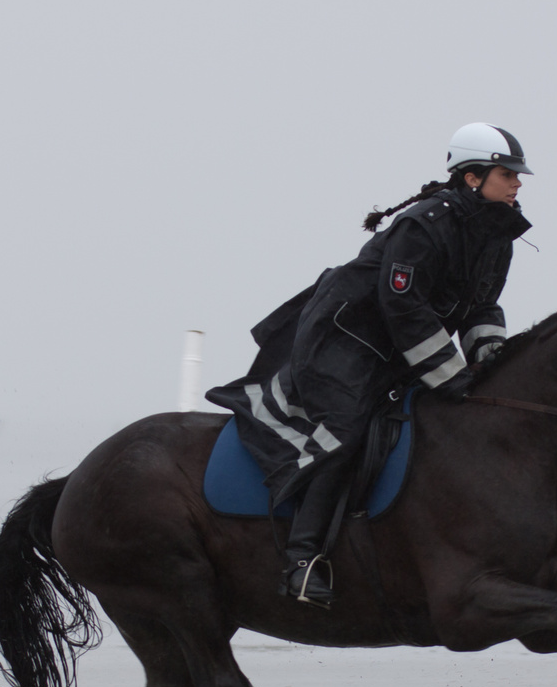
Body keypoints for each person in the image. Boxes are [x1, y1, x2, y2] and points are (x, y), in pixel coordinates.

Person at [207, 123, 532, 607]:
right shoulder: (425, 223)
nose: (518, 183)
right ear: (472, 177)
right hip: (343, 340)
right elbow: (403, 306)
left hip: (398, 346)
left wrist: (492, 362)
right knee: (346, 429)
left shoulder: (497, 236)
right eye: (508, 174)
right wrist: (451, 375)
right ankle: (301, 561)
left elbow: (482, 308)